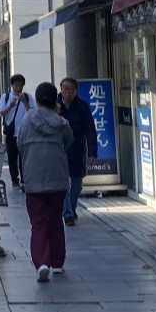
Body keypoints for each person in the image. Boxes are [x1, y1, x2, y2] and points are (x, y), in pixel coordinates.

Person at [16, 82, 72, 282]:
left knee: (38, 222)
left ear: (38, 99)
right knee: (55, 219)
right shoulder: (61, 122)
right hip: (57, 177)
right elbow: (69, 141)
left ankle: (41, 263)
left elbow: (20, 144)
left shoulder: (27, 119)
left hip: (34, 177)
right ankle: (57, 262)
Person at [58, 78, 98, 227]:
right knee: (63, 182)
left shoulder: (82, 106)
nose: (68, 92)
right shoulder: (55, 105)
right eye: (65, 88)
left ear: (76, 90)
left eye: (71, 89)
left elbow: (90, 129)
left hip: (77, 148)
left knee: (76, 182)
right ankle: (67, 213)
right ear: (60, 89)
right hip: (59, 150)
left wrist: (92, 151)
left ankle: (72, 207)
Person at [0, 74, 32, 189]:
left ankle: (24, 180)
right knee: (12, 158)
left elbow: (32, 113)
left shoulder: (27, 97)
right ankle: (14, 180)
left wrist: (24, 102)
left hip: (24, 133)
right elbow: (1, 112)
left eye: (20, 85)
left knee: (24, 158)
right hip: (11, 133)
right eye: (16, 85)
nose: (18, 88)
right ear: (12, 85)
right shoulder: (5, 97)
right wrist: (10, 106)